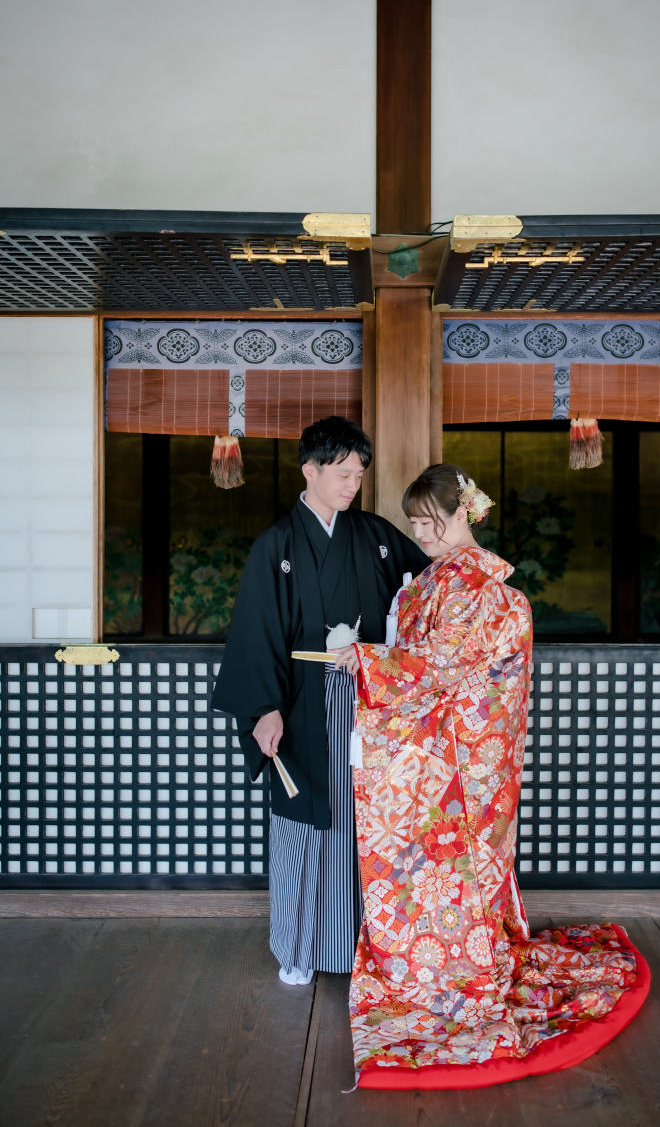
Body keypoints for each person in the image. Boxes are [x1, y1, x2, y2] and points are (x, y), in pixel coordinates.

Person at [331, 464, 644, 1088]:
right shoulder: (437, 580)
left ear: (462, 514)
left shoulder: (482, 588)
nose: (421, 533)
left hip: (468, 761)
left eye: (430, 521)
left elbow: (440, 665)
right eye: (415, 522)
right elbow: (423, 661)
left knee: (460, 864)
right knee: (432, 864)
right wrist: (379, 657)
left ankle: (455, 970)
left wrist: (366, 659)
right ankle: (427, 965)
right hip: (441, 750)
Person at [211, 416, 424, 986]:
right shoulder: (276, 545)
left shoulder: (376, 536)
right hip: (301, 700)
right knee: (303, 825)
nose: (352, 483)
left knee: (369, 824)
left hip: (370, 701)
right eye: (341, 472)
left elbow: (429, 588)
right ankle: (299, 949)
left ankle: (369, 952)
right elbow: (256, 631)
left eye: (358, 473)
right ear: (309, 469)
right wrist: (263, 709)